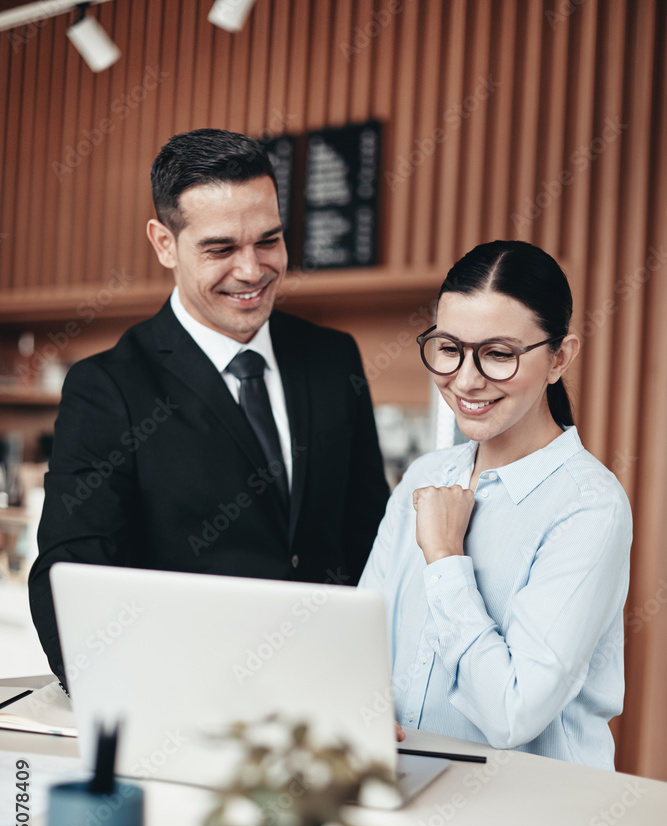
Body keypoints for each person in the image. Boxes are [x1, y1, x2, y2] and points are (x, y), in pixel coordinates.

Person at [29, 128, 389, 688]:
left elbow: (371, 535)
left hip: (331, 693)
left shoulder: (331, 356)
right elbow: (70, 575)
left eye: (268, 240)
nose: (252, 270)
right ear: (164, 243)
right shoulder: (109, 387)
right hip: (187, 701)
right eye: (221, 249)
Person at [360, 240, 632, 769]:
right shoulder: (424, 477)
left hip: (531, 819)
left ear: (559, 358)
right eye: (448, 348)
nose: (465, 379)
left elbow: (512, 713)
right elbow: (360, 643)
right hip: (399, 792)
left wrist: (444, 558)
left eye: (499, 354)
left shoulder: (588, 507)